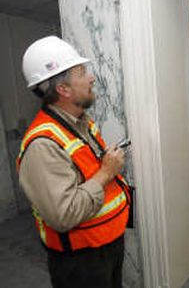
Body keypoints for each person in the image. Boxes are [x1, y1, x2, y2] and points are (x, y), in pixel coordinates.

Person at [17, 36, 131, 288]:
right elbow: (64, 215)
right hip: (81, 263)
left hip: (106, 246)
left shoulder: (82, 122)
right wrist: (106, 172)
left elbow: (84, 171)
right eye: (82, 72)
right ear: (64, 89)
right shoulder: (42, 144)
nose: (91, 78)